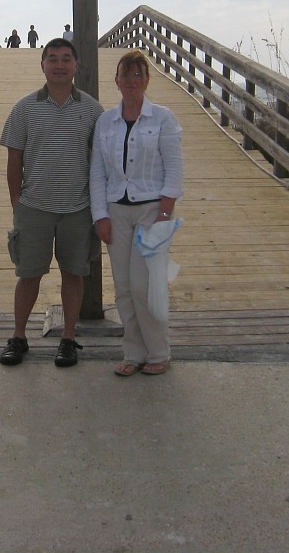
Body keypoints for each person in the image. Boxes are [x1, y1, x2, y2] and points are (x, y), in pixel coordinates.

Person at [0, 38, 103, 367]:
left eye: (66, 59)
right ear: (42, 65)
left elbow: (101, 162)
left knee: (74, 274)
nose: (59, 64)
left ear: (76, 66)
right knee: (28, 275)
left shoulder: (92, 110)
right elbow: (14, 160)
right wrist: (18, 202)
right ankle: (18, 336)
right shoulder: (24, 108)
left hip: (77, 208)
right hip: (34, 208)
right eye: (52, 59)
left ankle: (68, 339)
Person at [90, 49, 184, 376]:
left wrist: (164, 214)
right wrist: (99, 215)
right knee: (124, 288)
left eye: (137, 75)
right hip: (117, 211)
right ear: (116, 81)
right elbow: (97, 172)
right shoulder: (106, 121)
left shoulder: (163, 118)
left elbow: (173, 168)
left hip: (151, 211)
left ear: (146, 79)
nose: (131, 81)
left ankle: (159, 352)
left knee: (146, 285)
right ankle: (133, 353)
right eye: (125, 75)